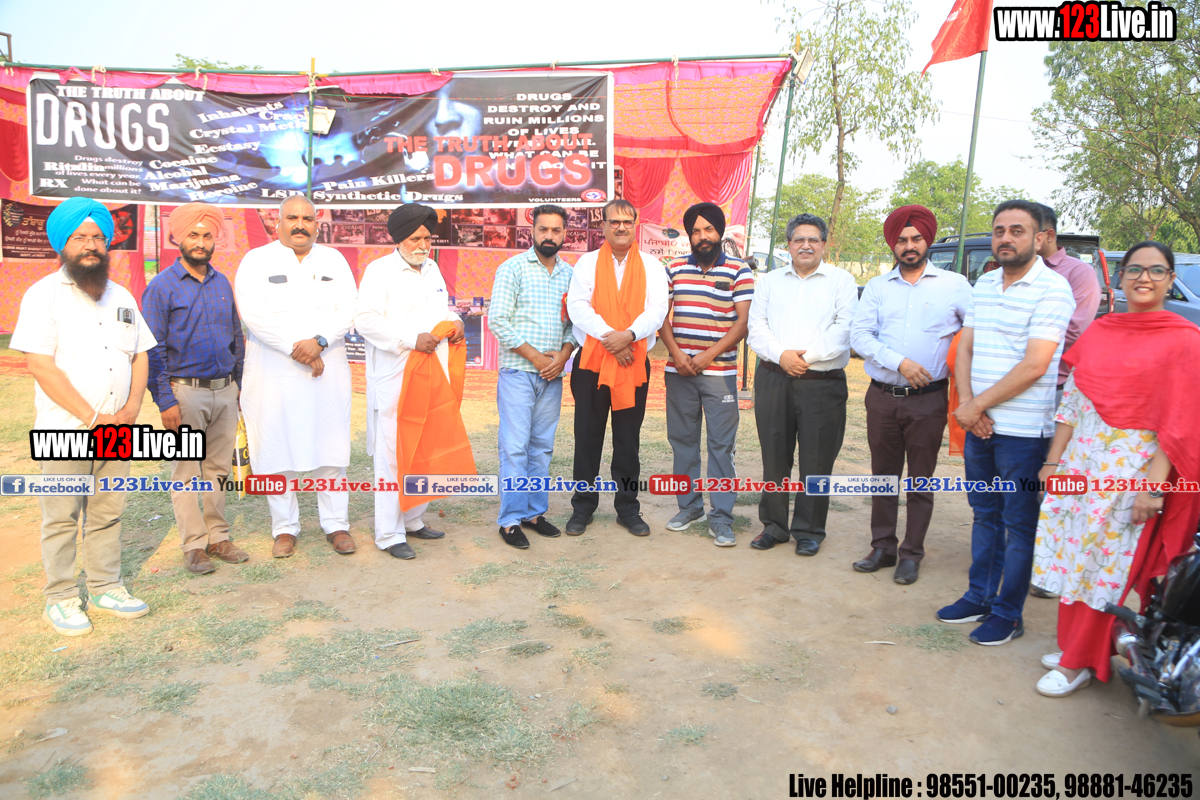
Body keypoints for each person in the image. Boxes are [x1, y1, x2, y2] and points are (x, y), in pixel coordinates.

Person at [1030, 242, 1200, 696]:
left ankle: (1078, 664)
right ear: (1120, 277)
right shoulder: (1102, 330)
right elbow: (1073, 401)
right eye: (1135, 269)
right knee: (1073, 554)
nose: (1144, 277)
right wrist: (1053, 461)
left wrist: (1153, 489)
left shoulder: (1185, 340)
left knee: (1105, 565)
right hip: (1081, 463)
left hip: (1131, 473)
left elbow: (1179, 422)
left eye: (1156, 270)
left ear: (1170, 279)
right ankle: (1076, 645)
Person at [11, 197, 155, 636]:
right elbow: (41, 366)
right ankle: (60, 598)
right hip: (66, 431)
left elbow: (140, 354)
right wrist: (92, 418)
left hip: (118, 428)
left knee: (108, 511)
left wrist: (131, 410)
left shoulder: (122, 296)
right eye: (80, 237)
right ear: (62, 244)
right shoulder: (43, 295)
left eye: (97, 237)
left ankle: (105, 587)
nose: (90, 245)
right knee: (61, 517)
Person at [937, 200, 1075, 645]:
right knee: (984, 514)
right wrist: (970, 405)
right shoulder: (985, 282)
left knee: (1018, 524)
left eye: (1017, 230)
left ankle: (1008, 613)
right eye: (999, 230)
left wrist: (976, 407)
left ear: (1040, 238)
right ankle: (979, 595)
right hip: (980, 426)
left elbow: (1035, 365)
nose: (1006, 238)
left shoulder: (1053, 290)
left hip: (1024, 435)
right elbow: (965, 348)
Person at [850, 205, 972, 584]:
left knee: (921, 480)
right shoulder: (877, 287)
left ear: (927, 240)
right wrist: (899, 362)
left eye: (916, 238)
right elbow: (860, 336)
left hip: (929, 399)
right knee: (883, 477)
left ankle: (912, 553)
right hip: (882, 396)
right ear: (893, 245)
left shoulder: (955, 285)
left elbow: (974, 332)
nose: (909, 246)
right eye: (902, 240)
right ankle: (883, 547)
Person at [235, 195, 357, 558]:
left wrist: (319, 343)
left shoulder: (334, 260)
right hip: (274, 374)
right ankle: (284, 528)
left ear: (318, 224)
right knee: (276, 448)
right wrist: (297, 349)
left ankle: (336, 525)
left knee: (330, 448)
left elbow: (348, 308)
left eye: (307, 218)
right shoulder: (256, 261)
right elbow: (253, 314)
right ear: (278, 222)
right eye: (292, 218)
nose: (300, 225)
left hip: (326, 369)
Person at [354, 203, 465, 559]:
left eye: (427, 238)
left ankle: (414, 519)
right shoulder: (380, 271)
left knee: (424, 448)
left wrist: (456, 320)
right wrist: (409, 339)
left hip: (432, 376)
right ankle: (389, 534)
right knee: (392, 455)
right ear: (400, 239)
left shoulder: (432, 269)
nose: (422, 245)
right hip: (395, 378)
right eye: (415, 238)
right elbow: (366, 320)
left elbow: (438, 312)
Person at [142, 203, 248, 575]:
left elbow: (235, 336)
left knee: (218, 468)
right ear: (178, 239)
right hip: (185, 393)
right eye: (193, 235)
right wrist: (165, 400)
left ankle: (218, 536)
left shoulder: (221, 282)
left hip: (224, 390)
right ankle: (193, 545)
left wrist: (238, 385)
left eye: (206, 236)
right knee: (187, 471)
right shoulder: (161, 287)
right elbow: (152, 347)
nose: (200, 242)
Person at [746, 213, 858, 556]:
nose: (806, 245)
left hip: (822, 383)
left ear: (824, 244)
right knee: (774, 457)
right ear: (789, 245)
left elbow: (844, 328)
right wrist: (782, 356)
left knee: (817, 460)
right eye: (799, 239)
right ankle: (774, 526)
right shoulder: (770, 281)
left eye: (813, 240)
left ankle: (809, 530)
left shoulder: (842, 281)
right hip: (774, 378)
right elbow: (756, 326)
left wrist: (804, 359)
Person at [565, 199, 668, 536]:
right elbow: (578, 306)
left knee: (627, 441)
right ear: (604, 226)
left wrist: (629, 336)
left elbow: (657, 309)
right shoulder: (587, 263)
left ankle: (628, 509)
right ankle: (582, 508)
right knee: (587, 439)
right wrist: (611, 337)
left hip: (633, 363)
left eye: (627, 221)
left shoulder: (652, 265)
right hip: (592, 364)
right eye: (614, 221)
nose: (621, 227)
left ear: (635, 225)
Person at [658, 203, 753, 546]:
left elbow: (743, 322)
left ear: (720, 232)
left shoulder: (739, 270)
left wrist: (706, 356)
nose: (702, 237)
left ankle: (722, 517)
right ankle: (690, 507)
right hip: (679, 371)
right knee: (682, 443)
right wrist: (677, 354)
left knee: (721, 446)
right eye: (696, 231)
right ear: (689, 236)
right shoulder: (673, 269)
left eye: (708, 229)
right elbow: (660, 316)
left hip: (720, 373)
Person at [488, 204, 576, 549]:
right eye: (543, 229)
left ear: (564, 233)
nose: (549, 236)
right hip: (518, 372)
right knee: (514, 448)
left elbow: (573, 325)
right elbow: (498, 320)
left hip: (552, 376)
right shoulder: (513, 268)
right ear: (532, 231)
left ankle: (534, 513)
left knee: (541, 448)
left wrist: (564, 355)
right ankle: (510, 520)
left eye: (556, 230)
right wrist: (538, 358)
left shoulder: (570, 275)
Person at [1028, 203, 1102, 600]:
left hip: (1058, 389)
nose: (1019, 239)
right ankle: (1021, 556)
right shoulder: (1013, 272)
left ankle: (1048, 569)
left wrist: (1028, 353)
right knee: (1020, 475)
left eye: (1027, 232)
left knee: (1052, 476)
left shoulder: (1078, 273)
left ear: (1048, 235)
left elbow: (1074, 331)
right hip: (1017, 390)